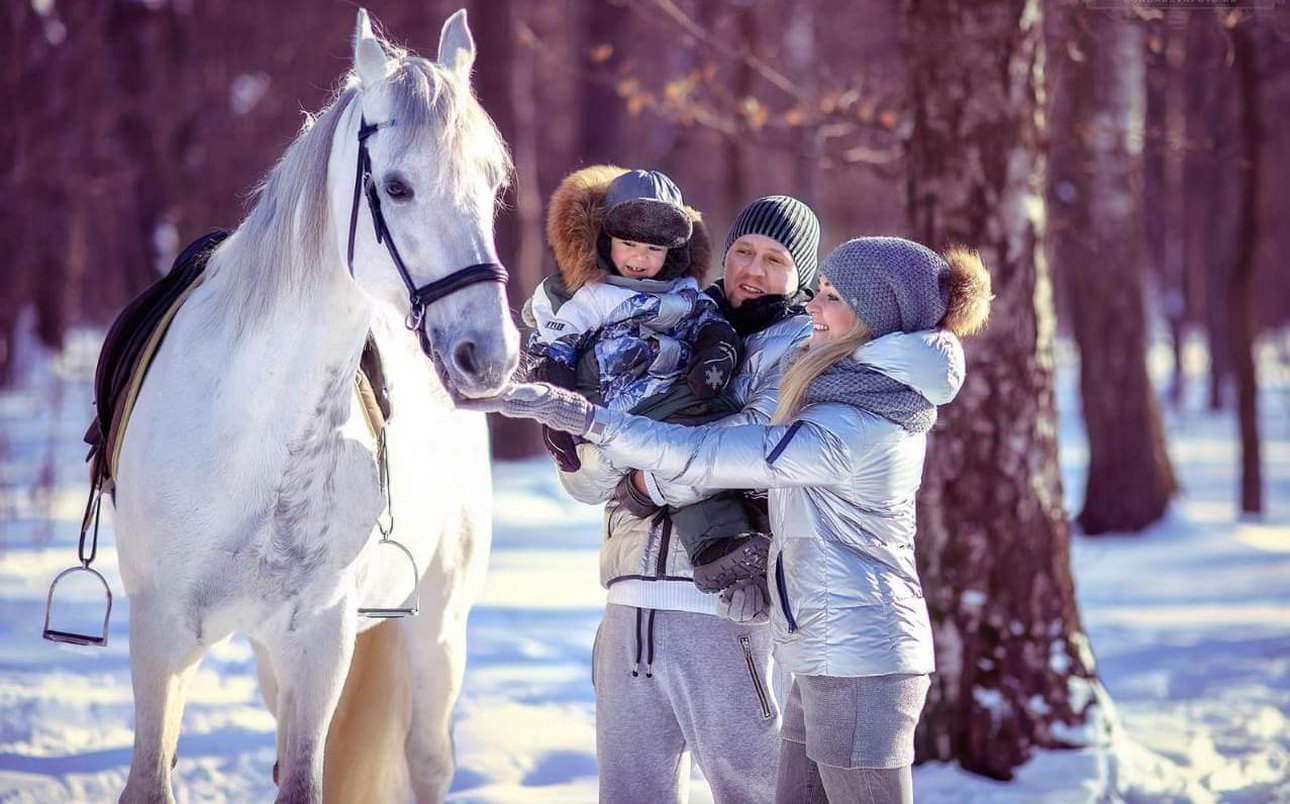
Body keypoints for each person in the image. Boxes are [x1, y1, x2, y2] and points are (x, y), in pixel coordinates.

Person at [466, 236, 993, 804]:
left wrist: (589, 418)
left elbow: (711, 456)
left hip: (860, 657)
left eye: (831, 296)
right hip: (821, 647)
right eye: (818, 292)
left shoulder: (854, 424)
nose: (814, 306)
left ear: (873, 317)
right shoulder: (837, 396)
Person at [541, 195, 822, 802]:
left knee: (753, 792)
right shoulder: (664, 317)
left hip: (723, 612)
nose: (752, 269)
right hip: (627, 611)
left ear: (801, 271)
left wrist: (646, 480)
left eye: (774, 258)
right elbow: (586, 484)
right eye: (743, 251)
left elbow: (752, 443)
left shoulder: (803, 346)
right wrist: (584, 433)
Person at [528, 168, 776, 591]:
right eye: (629, 245)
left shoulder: (684, 293)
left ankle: (715, 547)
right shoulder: (593, 294)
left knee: (693, 459)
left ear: (673, 251)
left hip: (681, 397)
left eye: (653, 249)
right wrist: (557, 408)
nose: (640, 259)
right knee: (682, 457)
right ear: (607, 242)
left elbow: (711, 324)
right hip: (620, 402)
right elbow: (556, 345)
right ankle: (715, 542)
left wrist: (717, 352)